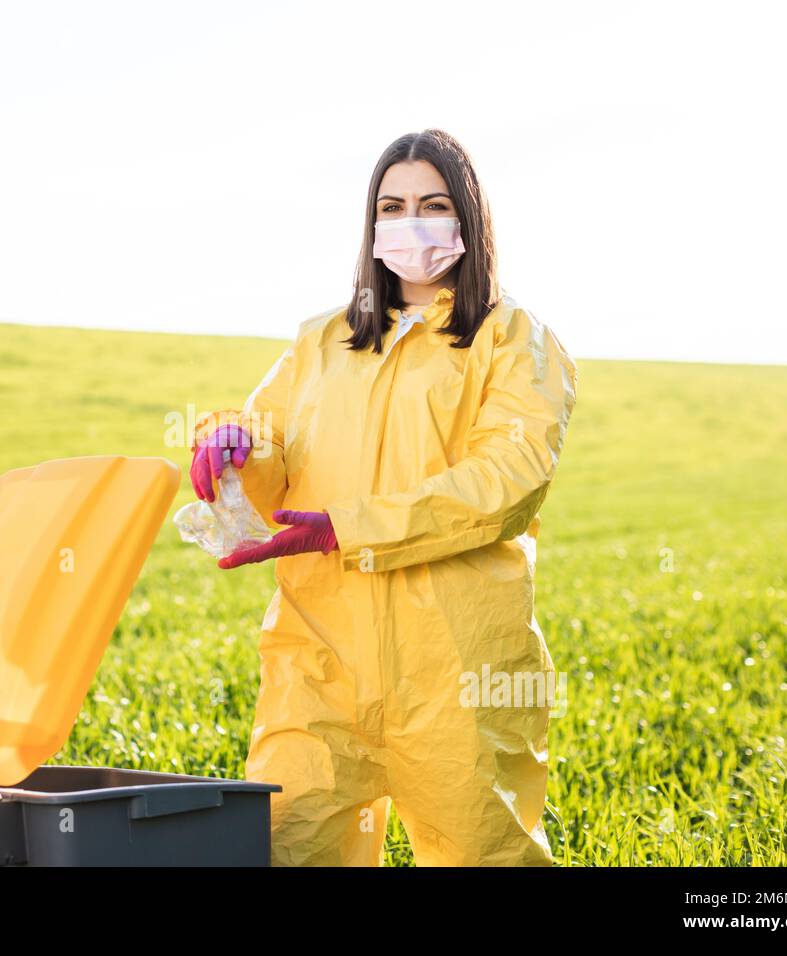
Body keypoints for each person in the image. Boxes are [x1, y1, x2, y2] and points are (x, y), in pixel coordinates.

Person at [189, 129, 578, 866]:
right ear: (372, 225)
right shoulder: (324, 339)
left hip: (457, 663)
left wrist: (349, 528)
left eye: (433, 204)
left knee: (481, 853)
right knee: (287, 846)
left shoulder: (513, 339)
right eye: (392, 206)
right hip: (319, 658)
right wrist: (232, 445)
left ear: (469, 219)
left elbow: (508, 480)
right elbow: (270, 437)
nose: (411, 222)